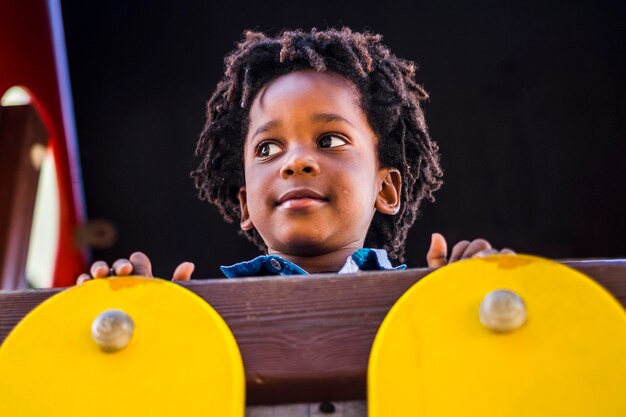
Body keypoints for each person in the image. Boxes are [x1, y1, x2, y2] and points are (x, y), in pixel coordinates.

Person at [78, 28, 512, 283]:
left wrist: (470, 305)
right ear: (245, 204)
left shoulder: (426, 296)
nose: (296, 162)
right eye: (268, 148)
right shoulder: (202, 311)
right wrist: (144, 329)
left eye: (330, 140)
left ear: (386, 188)